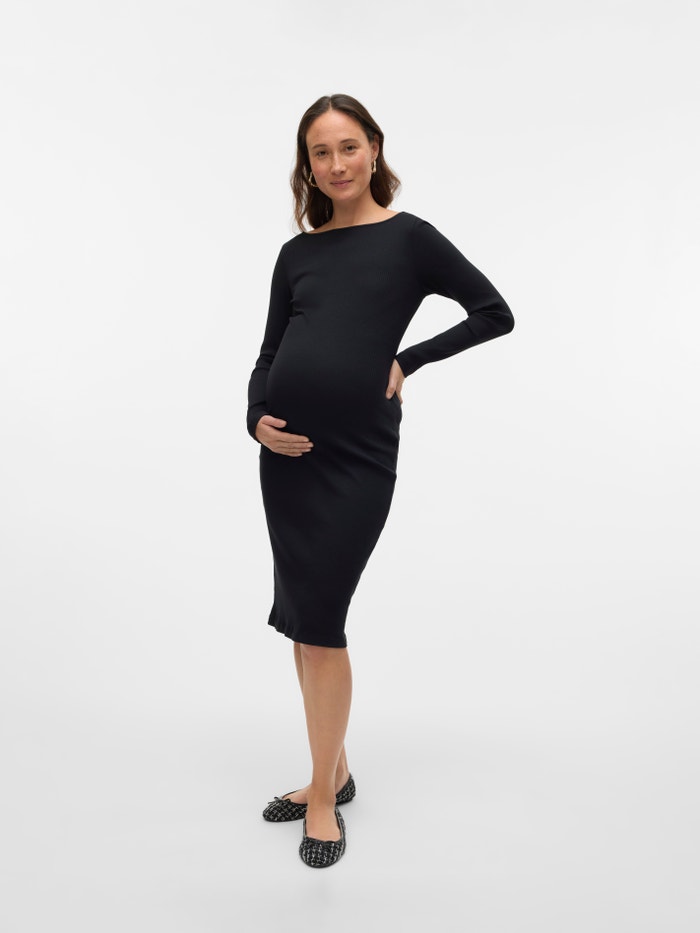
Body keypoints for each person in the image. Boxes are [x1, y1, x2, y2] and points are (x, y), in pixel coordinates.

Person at [247, 93, 514, 868]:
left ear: (373, 148)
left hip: (357, 456)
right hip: (286, 462)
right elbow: (267, 354)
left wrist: (409, 359)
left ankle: (322, 801)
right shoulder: (297, 254)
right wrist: (255, 417)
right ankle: (331, 771)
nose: (336, 164)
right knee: (304, 620)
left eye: (348, 146)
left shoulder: (410, 238)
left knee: (323, 618)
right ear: (308, 166)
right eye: (320, 152)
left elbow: (493, 311)